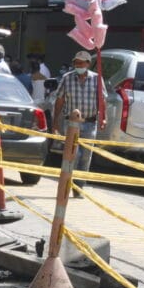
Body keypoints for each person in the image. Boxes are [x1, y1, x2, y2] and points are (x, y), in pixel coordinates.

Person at [53, 50, 105, 197]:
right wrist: (55, 121)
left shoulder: (97, 79)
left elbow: (102, 100)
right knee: (72, 155)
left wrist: (103, 118)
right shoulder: (67, 78)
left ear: (88, 64)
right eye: (76, 62)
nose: (78, 65)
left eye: (81, 63)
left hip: (90, 123)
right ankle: (67, 184)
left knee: (85, 156)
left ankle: (79, 188)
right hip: (71, 124)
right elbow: (59, 100)